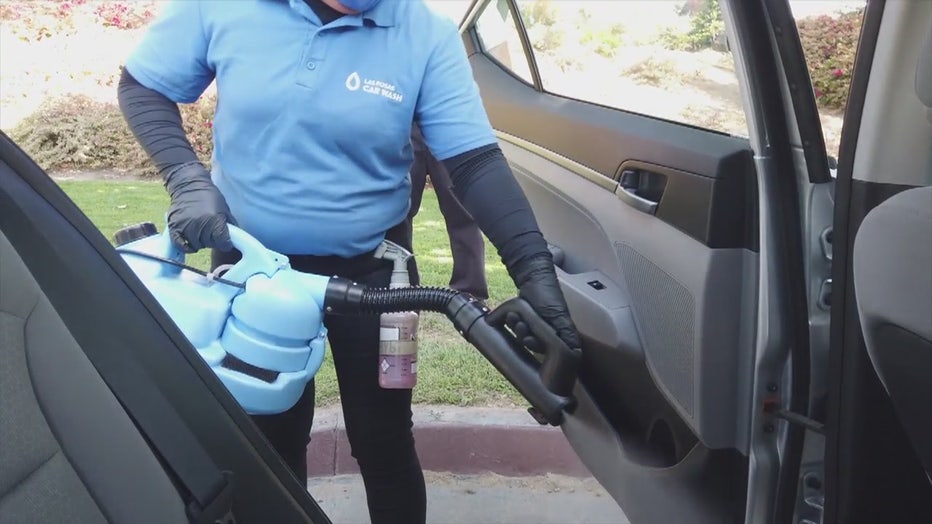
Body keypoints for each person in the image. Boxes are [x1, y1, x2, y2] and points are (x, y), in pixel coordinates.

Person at [117, 0, 581, 523]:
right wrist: (186, 178)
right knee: (268, 439)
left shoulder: (423, 33)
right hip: (252, 276)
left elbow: (474, 163)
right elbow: (143, 85)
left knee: (383, 440)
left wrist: (534, 271)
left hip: (375, 278)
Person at [405, 122, 489, 299]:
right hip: (404, 123)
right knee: (397, 214)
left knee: (463, 214)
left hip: (447, 125)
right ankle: (399, 289)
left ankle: (470, 296)